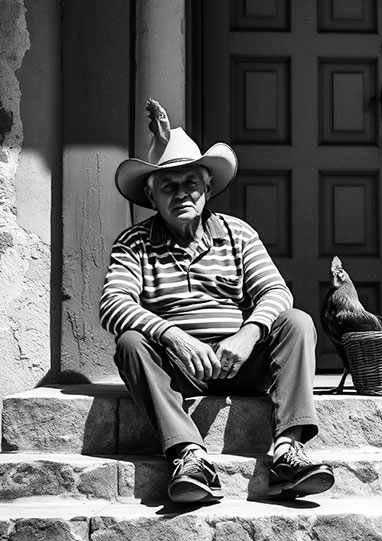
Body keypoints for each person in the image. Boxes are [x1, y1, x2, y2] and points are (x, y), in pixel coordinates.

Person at [100, 103, 334, 503]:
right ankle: (189, 455)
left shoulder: (237, 233)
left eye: (190, 183)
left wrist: (248, 334)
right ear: (152, 197)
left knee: (296, 321)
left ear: (207, 189)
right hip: (178, 368)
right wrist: (174, 336)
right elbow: (113, 303)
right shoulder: (134, 243)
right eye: (168, 187)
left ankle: (287, 452)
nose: (182, 194)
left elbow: (276, 292)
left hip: (245, 362)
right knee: (131, 344)